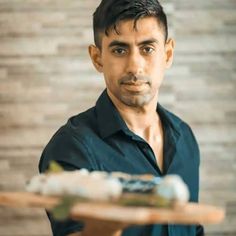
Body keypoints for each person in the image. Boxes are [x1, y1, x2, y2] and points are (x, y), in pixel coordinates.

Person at [39, 0, 205, 235]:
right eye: (119, 50)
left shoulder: (184, 136)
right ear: (97, 58)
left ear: (167, 54)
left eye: (147, 48)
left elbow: (192, 228)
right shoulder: (69, 147)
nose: (135, 66)